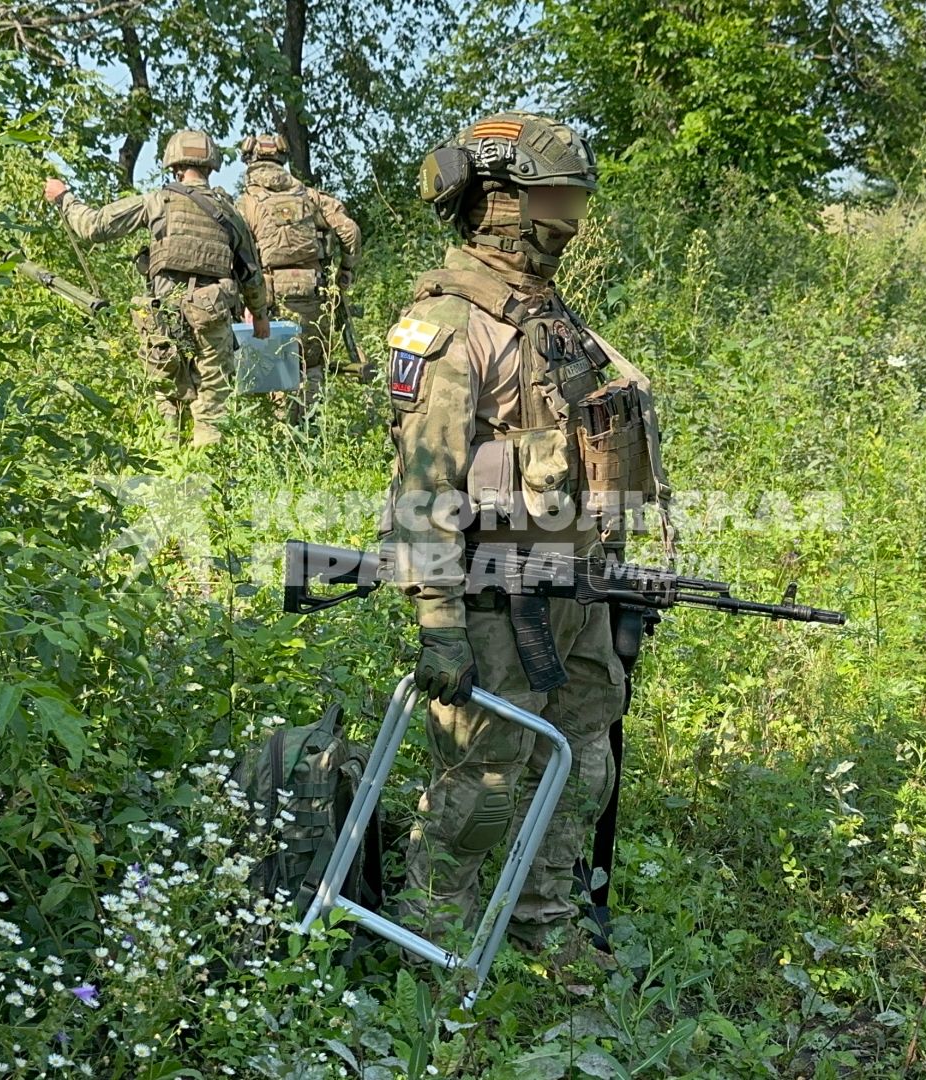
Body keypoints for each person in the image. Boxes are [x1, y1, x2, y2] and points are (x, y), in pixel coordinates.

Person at [381, 112, 670, 966]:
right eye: (556, 195)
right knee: (486, 778)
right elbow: (423, 487)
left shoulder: (553, 317)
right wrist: (437, 620)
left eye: (574, 195)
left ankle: (548, 919)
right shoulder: (448, 326)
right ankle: (429, 942)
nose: (572, 215)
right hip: (491, 598)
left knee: (583, 757)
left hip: (575, 584)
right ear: (499, 201)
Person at [43, 130, 271, 447]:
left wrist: (63, 197)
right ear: (211, 166)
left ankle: (170, 472)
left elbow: (93, 227)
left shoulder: (156, 202)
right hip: (212, 314)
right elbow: (251, 272)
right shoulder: (230, 214)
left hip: (163, 317)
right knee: (211, 410)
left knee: (168, 405)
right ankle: (211, 476)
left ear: (175, 165)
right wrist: (259, 315)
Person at [234, 133, 364, 413]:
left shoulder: (245, 203)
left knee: (276, 369)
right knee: (313, 366)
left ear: (250, 161)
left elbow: (236, 253)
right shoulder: (310, 196)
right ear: (282, 160)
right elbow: (349, 231)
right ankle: (312, 428)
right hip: (313, 292)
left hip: (268, 297)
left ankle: (285, 436)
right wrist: (345, 271)